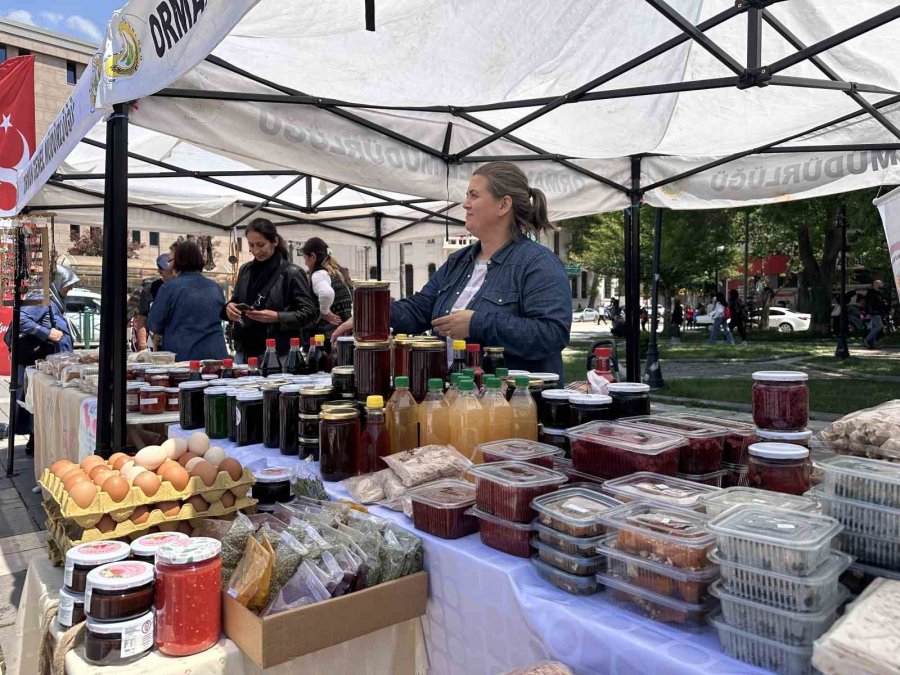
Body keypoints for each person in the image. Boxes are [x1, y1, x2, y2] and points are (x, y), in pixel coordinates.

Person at [332, 161, 571, 380]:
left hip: (511, 406)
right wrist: (372, 317)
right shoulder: (458, 261)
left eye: (474, 196)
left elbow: (551, 334)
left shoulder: (539, 263)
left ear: (503, 204)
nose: (465, 204)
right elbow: (420, 308)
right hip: (454, 397)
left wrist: (477, 324)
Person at [224, 218, 318, 362]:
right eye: (251, 245)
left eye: (260, 245)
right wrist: (229, 308)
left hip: (278, 353)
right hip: (244, 352)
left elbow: (310, 313)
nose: (255, 250)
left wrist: (277, 317)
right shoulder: (245, 270)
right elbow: (236, 301)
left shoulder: (292, 272)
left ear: (274, 241)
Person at [16, 265, 79, 454]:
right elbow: (21, 319)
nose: (70, 289)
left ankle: (39, 441)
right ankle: (36, 442)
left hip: (56, 364)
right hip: (44, 363)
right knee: (39, 406)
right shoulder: (41, 300)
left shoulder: (55, 301)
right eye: (68, 285)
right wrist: (47, 333)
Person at [147, 241, 228, 361]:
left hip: (183, 359)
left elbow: (154, 325)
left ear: (177, 261)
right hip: (216, 357)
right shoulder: (215, 287)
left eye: (170, 261)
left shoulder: (168, 288)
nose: (169, 266)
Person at [300, 237, 353, 343]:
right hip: (345, 333)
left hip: (327, 337)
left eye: (305, 258)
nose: (305, 263)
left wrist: (325, 312)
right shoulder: (340, 273)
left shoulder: (319, 274)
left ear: (313, 256)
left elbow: (326, 293)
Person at [133, 253, 175, 351]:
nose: (172, 273)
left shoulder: (181, 287)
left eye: (173, 269)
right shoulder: (150, 289)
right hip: (157, 342)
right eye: (168, 271)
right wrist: (143, 347)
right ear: (160, 272)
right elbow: (142, 319)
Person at [864, 280, 887, 348]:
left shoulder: (878, 293)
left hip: (878, 312)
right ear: (876, 284)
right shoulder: (871, 293)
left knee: (874, 327)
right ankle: (867, 340)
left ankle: (872, 342)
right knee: (879, 326)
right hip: (874, 312)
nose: (882, 284)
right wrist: (869, 313)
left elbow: (880, 303)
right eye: (881, 283)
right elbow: (869, 303)